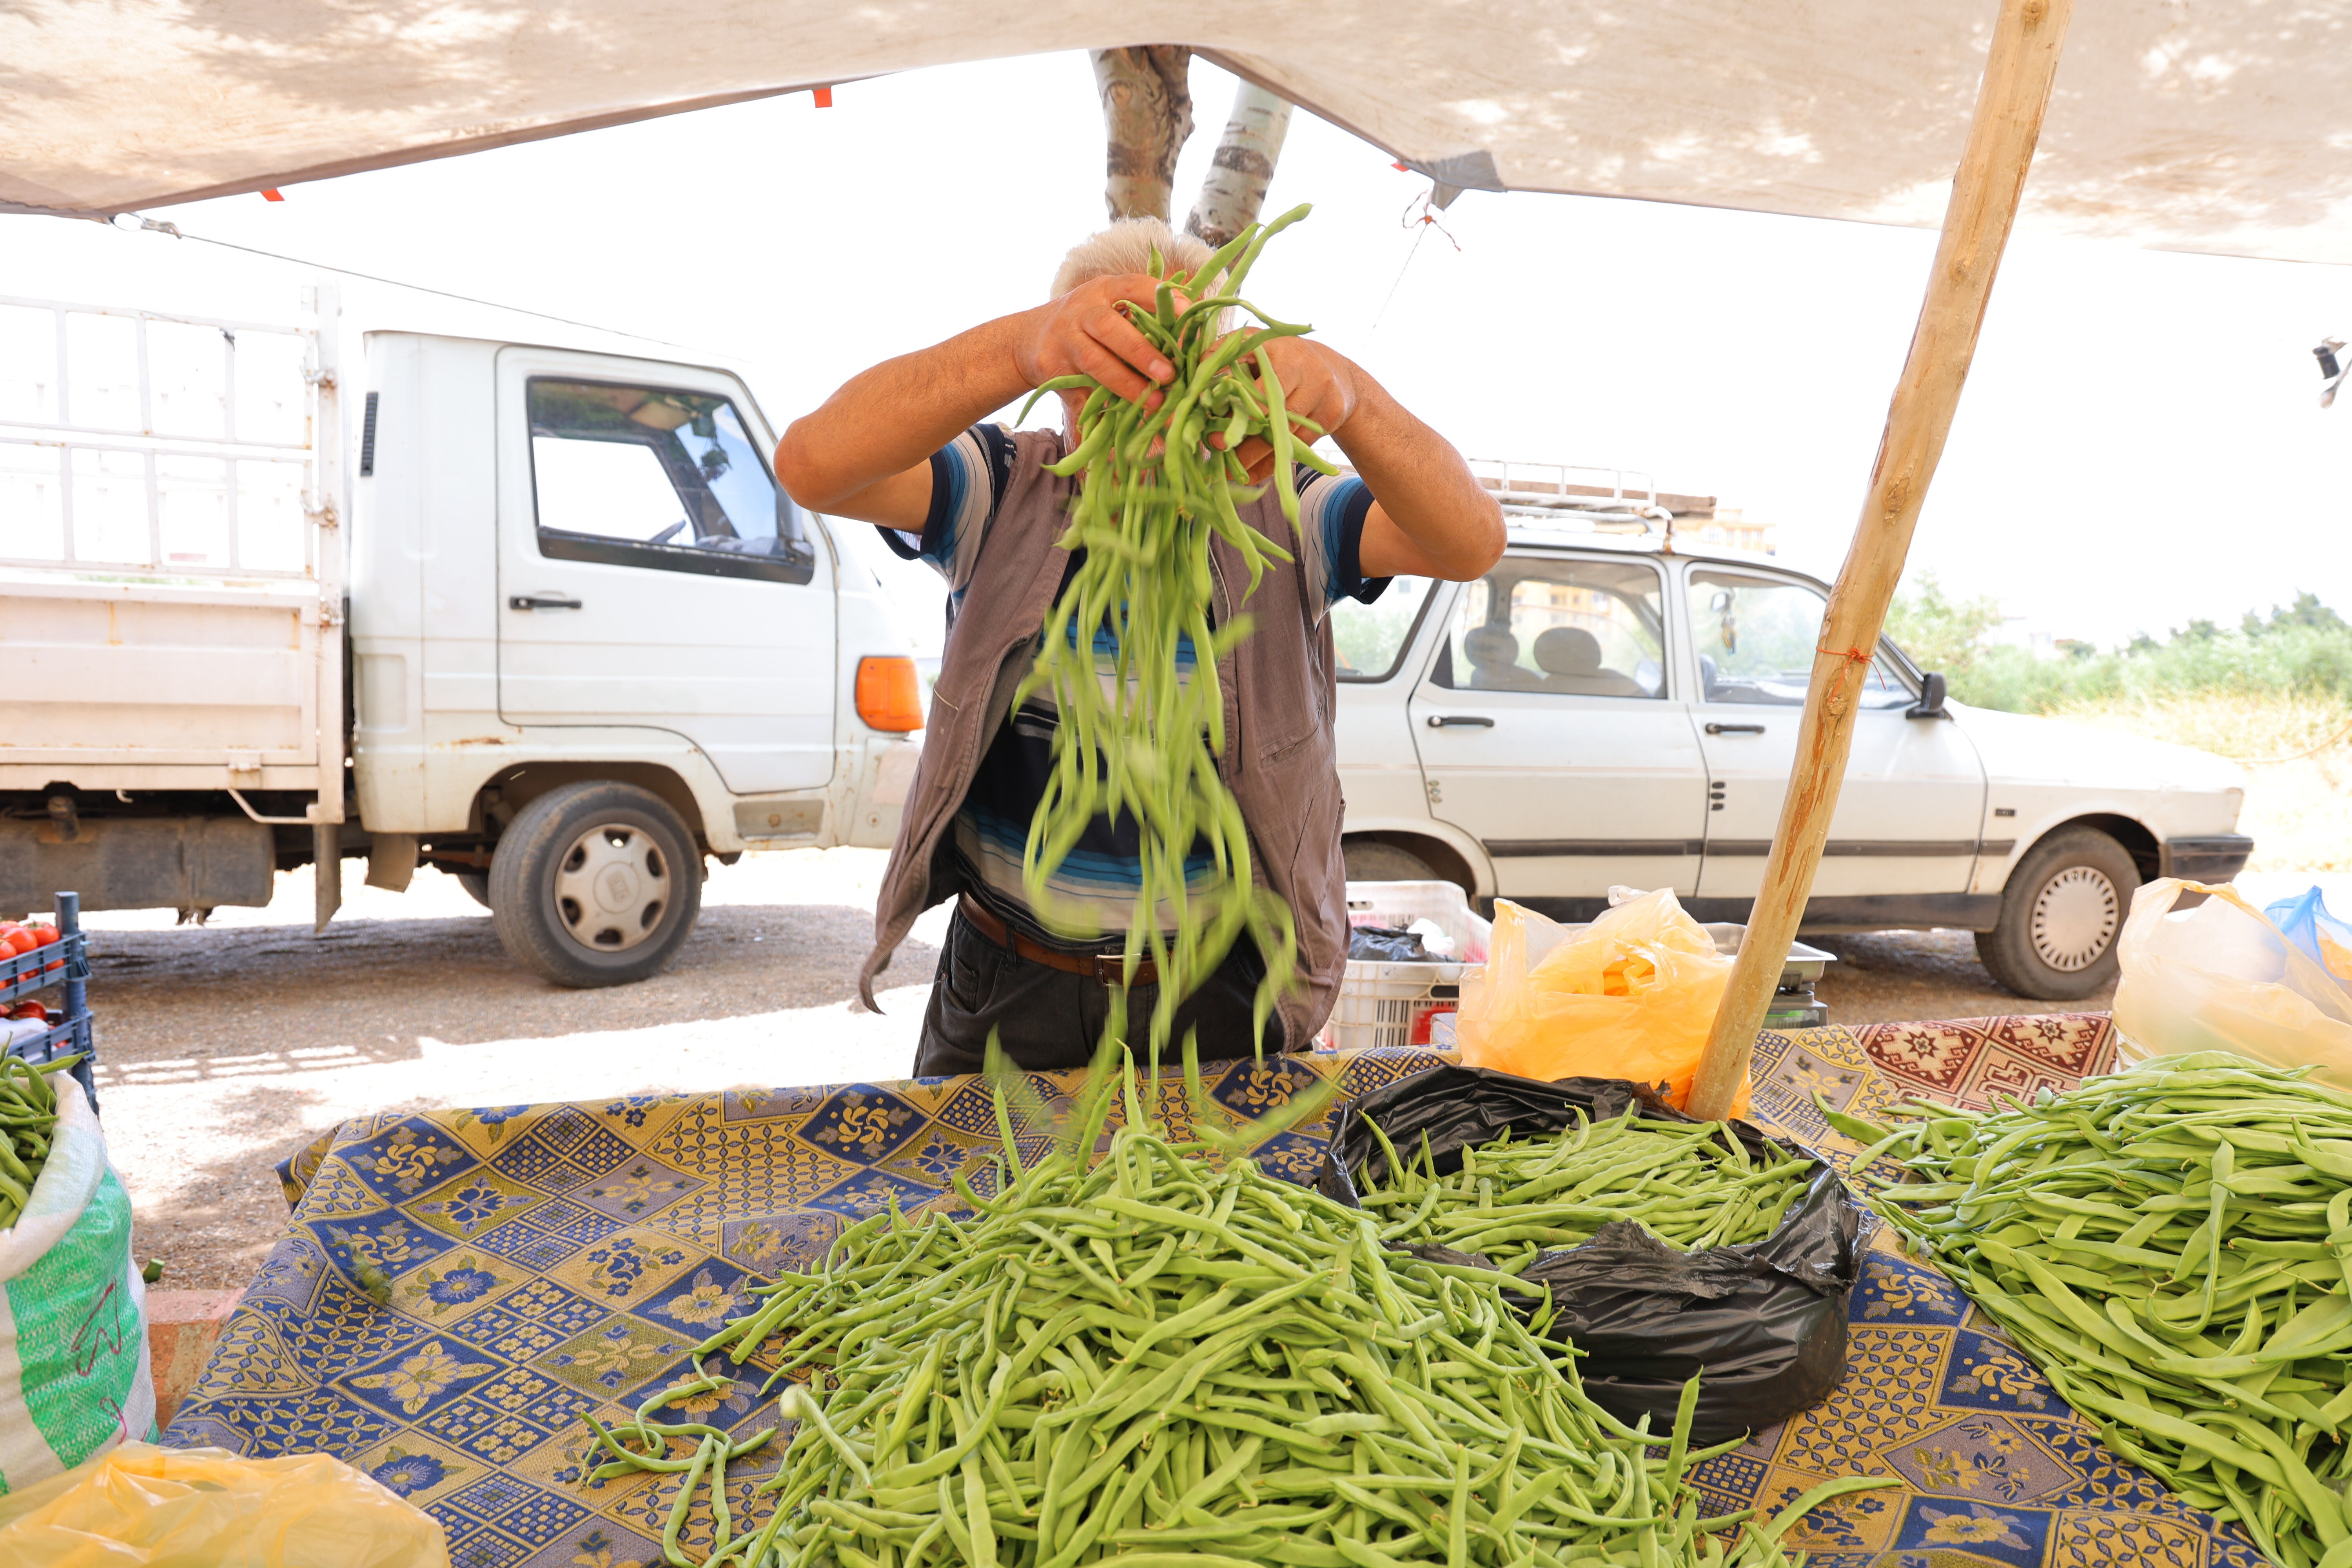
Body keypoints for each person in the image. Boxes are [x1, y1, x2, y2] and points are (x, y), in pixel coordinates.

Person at [775, 217, 1504, 1076]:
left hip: (1218, 988)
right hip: (1009, 976)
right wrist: (1019, 346)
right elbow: (813, 465)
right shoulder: (1002, 488)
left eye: (1177, 372)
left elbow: (1470, 543)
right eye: (1106, 372)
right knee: (982, 1168)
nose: (1144, 411)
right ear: (1062, 379)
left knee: (1210, 1169)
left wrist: (1350, 396)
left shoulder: (1282, 505)